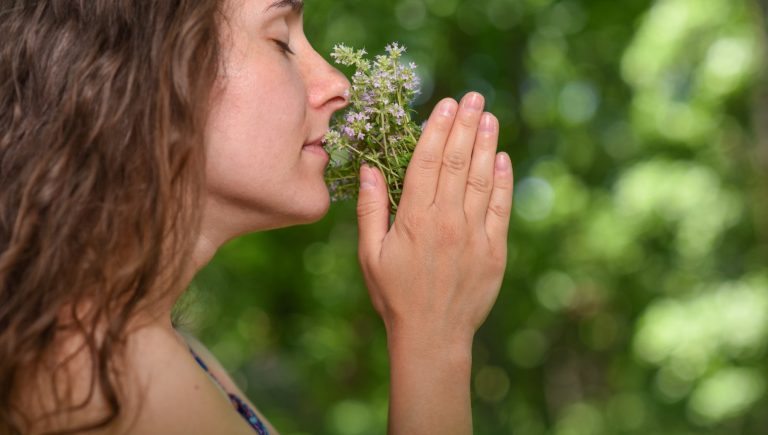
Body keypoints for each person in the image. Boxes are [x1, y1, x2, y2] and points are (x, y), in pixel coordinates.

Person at [0, 0, 513, 433]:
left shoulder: (159, 349)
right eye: (281, 42)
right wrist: (433, 340)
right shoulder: (90, 376)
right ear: (158, 71)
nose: (339, 85)